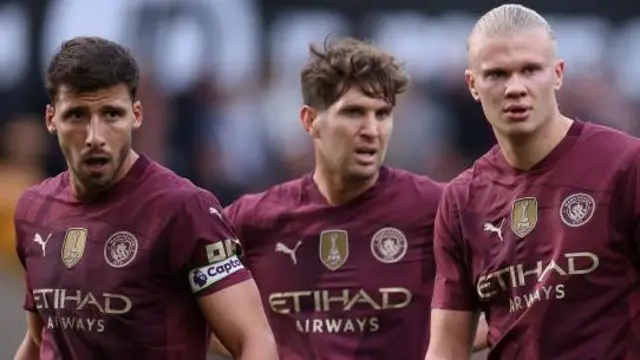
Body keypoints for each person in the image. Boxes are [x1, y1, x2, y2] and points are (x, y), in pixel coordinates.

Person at [210, 36, 487, 360]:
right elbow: (179, 307)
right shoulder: (253, 219)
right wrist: (256, 348)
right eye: (354, 112)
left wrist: (443, 346)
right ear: (310, 120)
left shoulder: (437, 208)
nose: (371, 129)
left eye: (382, 114)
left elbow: (516, 297)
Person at [12, 36, 277, 360]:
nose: (95, 137)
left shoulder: (184, 210)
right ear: (51, 119)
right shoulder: (33, 209)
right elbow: (41, 340)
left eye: (111, 114)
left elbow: (254, 341)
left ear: (136, 115)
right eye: (77, 115)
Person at [426, 4, 640, 360]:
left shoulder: (626, 165)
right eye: (496, 74)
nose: (515, 87)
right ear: (472, 84)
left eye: (530, 70)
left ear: (557, 74)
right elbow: (447, 348)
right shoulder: (462, 200)